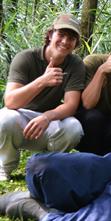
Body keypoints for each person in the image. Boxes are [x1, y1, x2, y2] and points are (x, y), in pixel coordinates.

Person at [0, 13, 85, 181]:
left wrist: (47, 117)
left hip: (48, 124)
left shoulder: (75, 64)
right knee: (4, 117)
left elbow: (71, 105)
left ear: (76, 43)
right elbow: (10, 101)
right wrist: (42, 81)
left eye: (72, 38)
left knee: (74, 127)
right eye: (61, 35)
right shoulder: (26, 58)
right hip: (20, 119)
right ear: (50, 34)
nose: (65, 41)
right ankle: (4, 167)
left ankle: (45, 167)